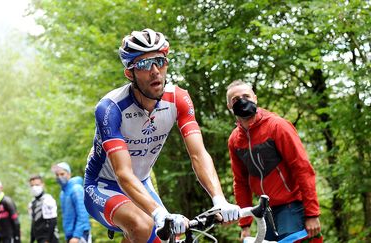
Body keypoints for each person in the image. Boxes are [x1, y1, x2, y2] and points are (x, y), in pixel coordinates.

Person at [83, 28, 241, 243]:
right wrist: (158, 212)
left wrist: (219, 199)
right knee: (142, 224)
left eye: (160, 61)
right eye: (144, 64)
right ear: (130, 73)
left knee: (166, 237)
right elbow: (123, 174)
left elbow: (198, 154)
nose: (155, 70)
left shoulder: (179, 99)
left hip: (141, 184)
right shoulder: (111, 108)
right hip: (103, 185)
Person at [225, 80, 322, 242]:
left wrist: (312, 213)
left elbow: (302, 168)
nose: (242, 101)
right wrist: (245, 224)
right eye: (235, 99)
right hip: (265, 212)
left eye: (246, 96)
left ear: (255, 98)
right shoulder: (235, 140)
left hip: (291, 206)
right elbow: (241, 182)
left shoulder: (277, 126)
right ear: (229, 106)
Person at [52, 162, 91, 243]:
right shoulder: (63, 193)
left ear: (69, 174)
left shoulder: (76, 189)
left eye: (62, 174)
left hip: (80, 234)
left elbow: (83, 214)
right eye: (57, 175)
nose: (59, 177)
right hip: (70, 234)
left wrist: (76, 236)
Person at [0, 178, 21, 243]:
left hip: (11, 237)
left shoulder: (7, 201)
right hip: (3, 238)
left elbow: (16, 221)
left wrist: (17, 237)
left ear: (1, 188)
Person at [28, 174, 59, 243]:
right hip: (39, 238)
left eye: (37, 185)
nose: (34, 187)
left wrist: (47, 240)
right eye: (32, 185)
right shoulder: (32, 203)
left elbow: (53, 221)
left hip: (51, 238)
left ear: (42, 184)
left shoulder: (48, 199)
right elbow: (33, 223)